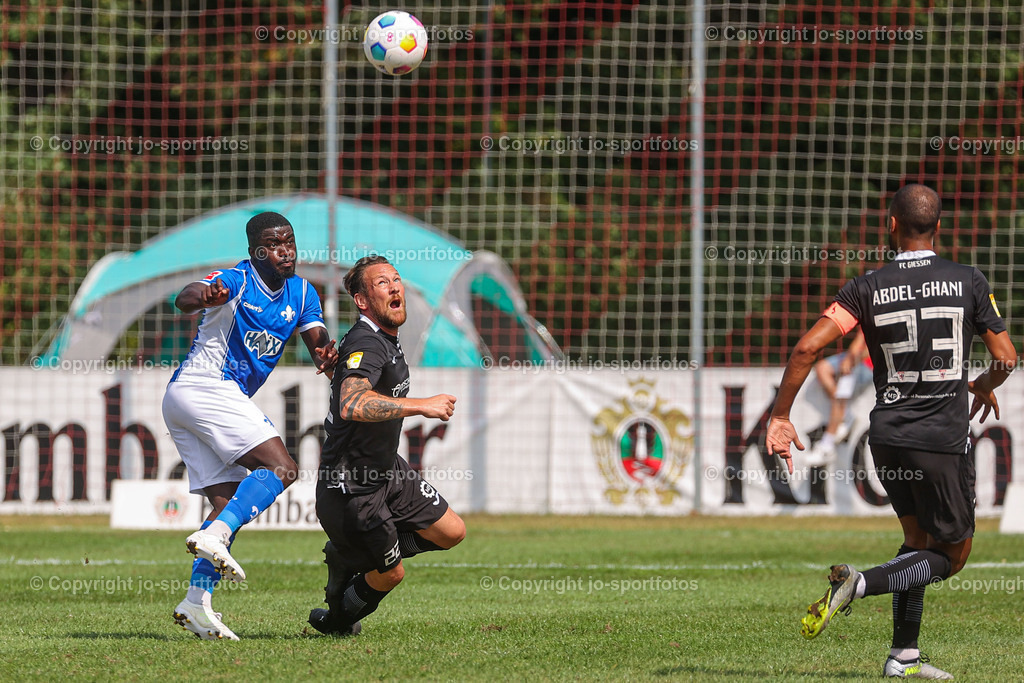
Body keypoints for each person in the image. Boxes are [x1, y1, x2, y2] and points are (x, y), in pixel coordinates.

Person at [765, 184, 1016, 679]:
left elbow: (804, 350)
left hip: (888, 437)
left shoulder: (866, 286)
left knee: (917, 540)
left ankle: (903, 656)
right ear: (939, 228)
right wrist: (982, 384)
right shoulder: (967, 280)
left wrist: (781, 416)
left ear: (891, 224)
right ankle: (857, 585)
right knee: (953, 554)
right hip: (942, 438)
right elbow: (1006, 357)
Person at [162, 211, 338, 640]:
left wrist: (331, 359)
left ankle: (196, 603)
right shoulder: (236, 281)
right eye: (275, 245)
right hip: (206, 387)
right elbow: (183, 298)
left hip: (188, 400)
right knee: (283, 469)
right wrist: (207, 294)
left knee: (226, 507)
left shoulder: (301, 293)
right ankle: (215, 536)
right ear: (256, 252)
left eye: (290, 242)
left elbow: (320, 349)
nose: (286, 251)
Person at [308, 254, 466, 636]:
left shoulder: (378, 340)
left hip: (387, 469)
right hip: (353, 487)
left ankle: (356, 557)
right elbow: (352, 402)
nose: (395, 287)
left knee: (451, 532)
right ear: (363, 301)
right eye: (382, 283)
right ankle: (338, 619)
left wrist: (336, 367)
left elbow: (351, 377)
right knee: (391, 573)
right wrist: (421, 406)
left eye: (396, 279)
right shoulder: (368, 341)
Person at [805, 327, 872, 465]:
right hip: (853, 357)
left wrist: (851, 360)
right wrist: (849, 358)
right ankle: (845, 414)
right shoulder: (865, 310)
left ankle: (827, 445)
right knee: (822, 368)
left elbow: (870, 347)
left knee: (842, 390)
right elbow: (858, 342)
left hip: (866, 364)